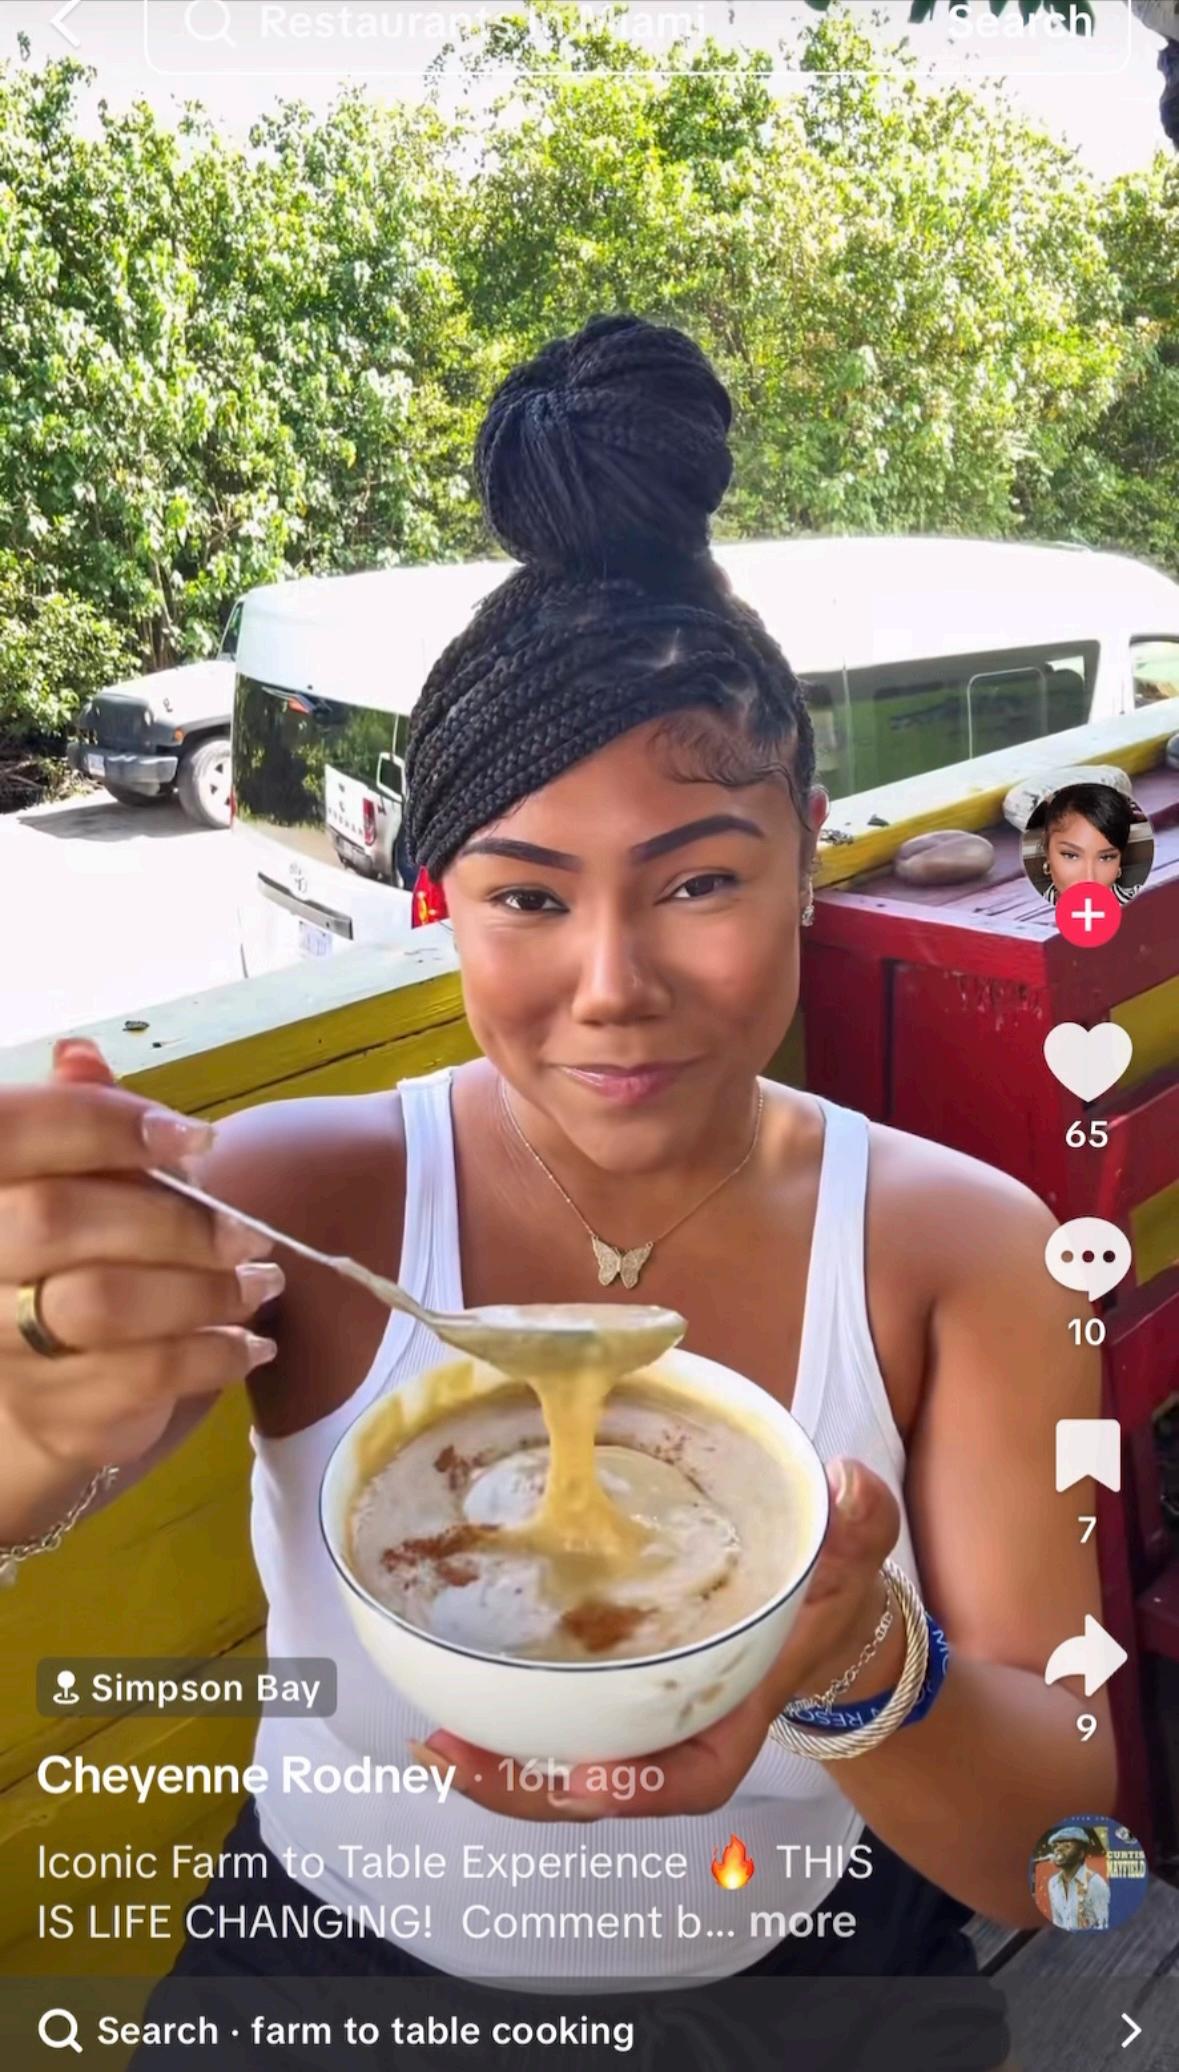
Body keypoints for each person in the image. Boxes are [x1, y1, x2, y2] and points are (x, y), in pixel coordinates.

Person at [1, 315, 1121, 2070]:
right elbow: (31, 1490)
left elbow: (1074, 1871)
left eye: (696, 883)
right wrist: (30, 1415)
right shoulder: (310, 1202)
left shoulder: (966, 1255)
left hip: (804, 1987)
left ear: (804, 851)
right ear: (439, 900)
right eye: (526, 897)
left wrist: (858, 1658)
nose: (611, 987)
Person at [1024, 780, 1140, 906]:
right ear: (1046, 850)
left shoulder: (1144, 899)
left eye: (1106, 857)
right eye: (1071, 855)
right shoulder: (1028, 909)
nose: (1089, 878)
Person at [1044, 1828, 1110, 1932]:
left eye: (1067, 1846)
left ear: (1081, 1854)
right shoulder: (1052, 1883)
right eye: (1056, 1846)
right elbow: (1058, 1921)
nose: (1058, 1850)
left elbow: (1104, 1925)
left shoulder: (1095, 1883)